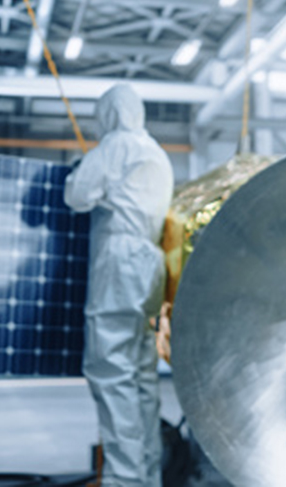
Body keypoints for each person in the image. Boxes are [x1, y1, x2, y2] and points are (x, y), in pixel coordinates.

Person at [64, 83, 174, 487]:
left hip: (119, 257)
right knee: (141, 374)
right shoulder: (157, 153)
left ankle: (123, 479)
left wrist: (82, 169)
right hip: (150, 261)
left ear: (108, 115)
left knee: (111, 370)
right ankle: (145, 476)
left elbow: (77, 196)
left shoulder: (116, 145)